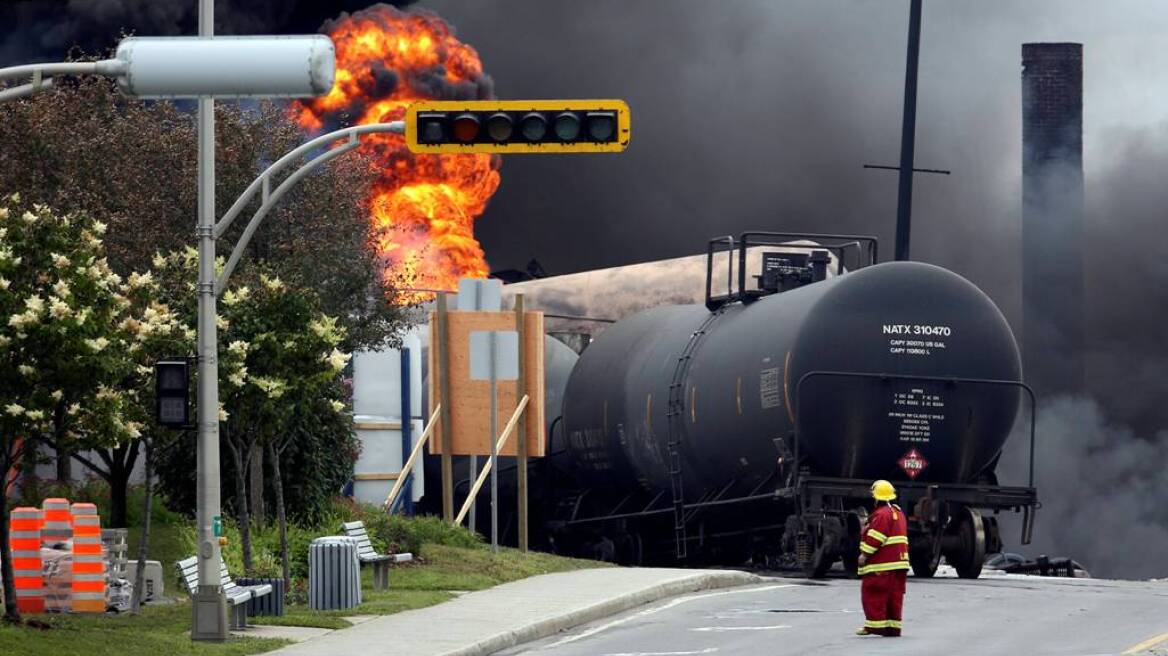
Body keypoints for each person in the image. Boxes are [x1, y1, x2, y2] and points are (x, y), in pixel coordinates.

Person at [856, 479, 910, 637]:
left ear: (877, 498)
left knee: (873, 594)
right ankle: (893, 628)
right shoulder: (898, 513)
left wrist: (864, 555)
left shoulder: (881, 515)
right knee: (895, 597)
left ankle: (874, 627)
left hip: (881, 565)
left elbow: (876, 537)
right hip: (900, 564)